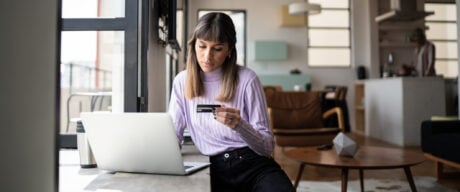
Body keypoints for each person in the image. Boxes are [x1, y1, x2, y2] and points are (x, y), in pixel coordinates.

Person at [168, 12, 295, 192]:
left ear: (229, 50)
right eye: (202, 46)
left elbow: (267, 147)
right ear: (193, 46)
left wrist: (239, 125)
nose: (207, 56)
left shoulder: (247, 79)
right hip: (213, 168)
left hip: (253, 164)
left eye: (217, 49)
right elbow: (174, 135)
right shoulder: (182, 81)